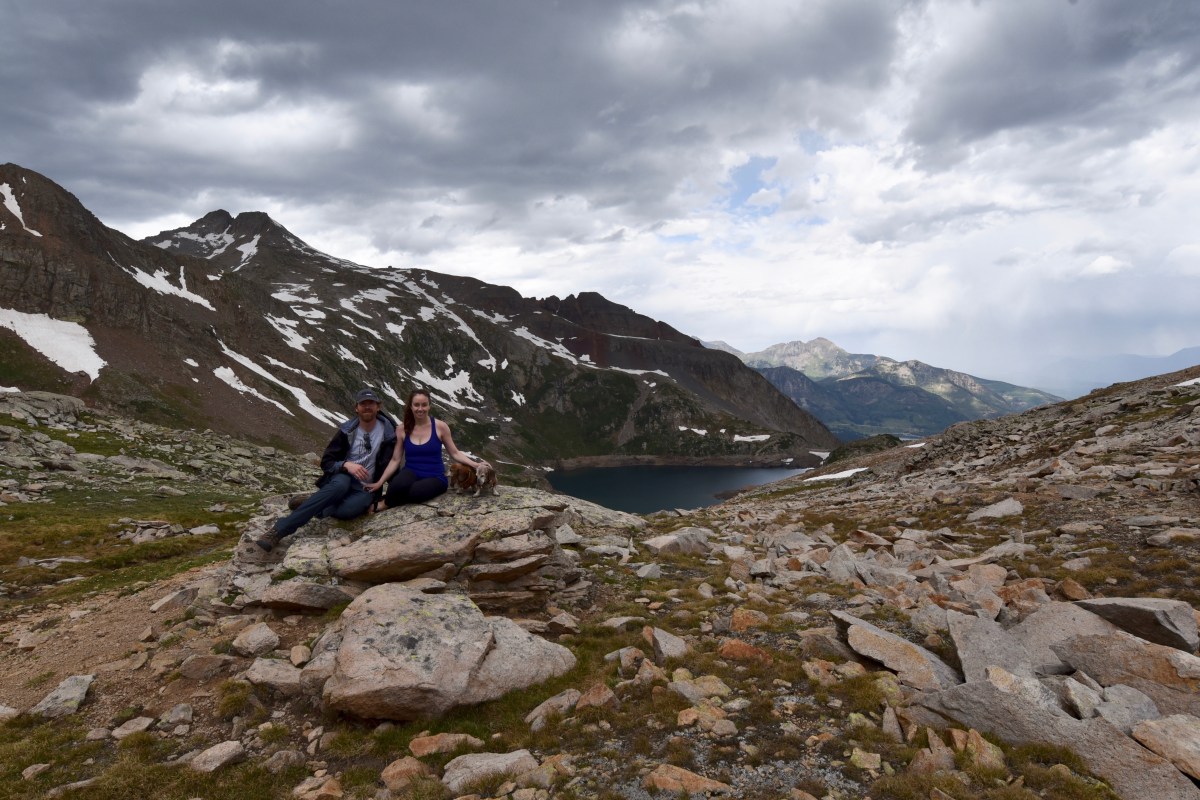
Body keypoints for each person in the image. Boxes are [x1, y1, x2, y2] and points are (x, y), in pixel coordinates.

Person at [255, 388, 397, 552]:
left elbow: (393, 464)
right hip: (344, 478)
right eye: (363, 403)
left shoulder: (389, 432)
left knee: (349, 511)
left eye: (371, 403)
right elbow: (327, 462)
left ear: (378, 407)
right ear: (356, 408)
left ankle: (315, 501)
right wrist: (345, 465)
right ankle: (279, 530)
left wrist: (391, 497)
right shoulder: (347, 431)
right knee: (339, 486)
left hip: (367, 487)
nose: (367, 407)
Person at [367, 388, 490, 510]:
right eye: (416, 405)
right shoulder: (402, 429)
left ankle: (384, 504)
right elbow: (395, 460)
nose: (420, 409)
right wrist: (380, 482)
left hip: (435, 476)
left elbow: (455, 453)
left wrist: (476, 465)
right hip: (410, 471)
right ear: (411, 406)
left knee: (415, 493)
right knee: (395, 486)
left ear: (429, 406)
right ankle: (390, 497)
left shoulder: (440, 427)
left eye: (424, 405)